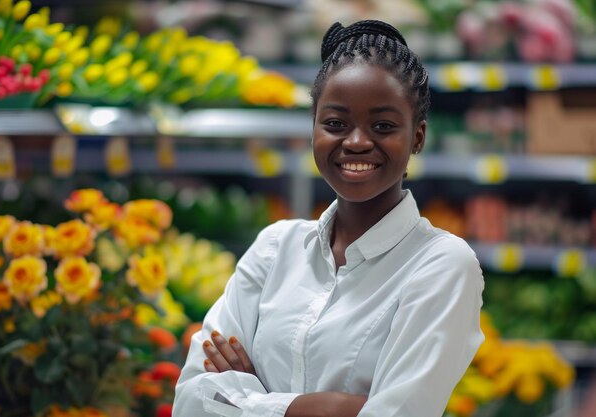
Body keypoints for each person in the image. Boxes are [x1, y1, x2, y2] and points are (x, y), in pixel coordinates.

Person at [172, 20, 484, 417]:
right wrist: (321, 408)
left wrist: (248, 398)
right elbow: (191, 401)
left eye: (383, 126)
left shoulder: (441, 266)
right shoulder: (274, 248)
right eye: (335, 123)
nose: (356, 141)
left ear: (418, 137)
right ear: (314, 129)